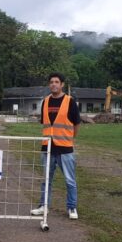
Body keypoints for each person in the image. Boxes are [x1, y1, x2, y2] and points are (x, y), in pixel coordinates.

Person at [31, 72, 81, 219]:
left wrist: (70, 138)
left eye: (57, 82)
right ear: (49, 84)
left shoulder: (69, 101)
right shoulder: (45, 101)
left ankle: (72, 207)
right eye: (51, 82)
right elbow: (45, 123)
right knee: (46, 180)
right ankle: (43, 206)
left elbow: (77, 123)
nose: (54, 84)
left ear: (62, 84)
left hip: (65, 148)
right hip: (47, 147)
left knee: (70, 180)